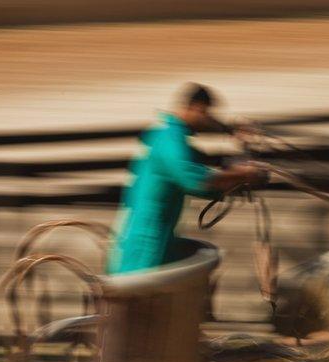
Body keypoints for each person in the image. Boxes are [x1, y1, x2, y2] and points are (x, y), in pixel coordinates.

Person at [107, 83, 266, 274]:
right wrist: (245, 174)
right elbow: (195, 179)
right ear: (197, 107)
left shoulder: (165, 135)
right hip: (145, 242)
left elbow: (200, 164)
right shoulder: (169, 140)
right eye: (206, 114)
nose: (207, 121)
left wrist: (230, 131)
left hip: (156, 235)